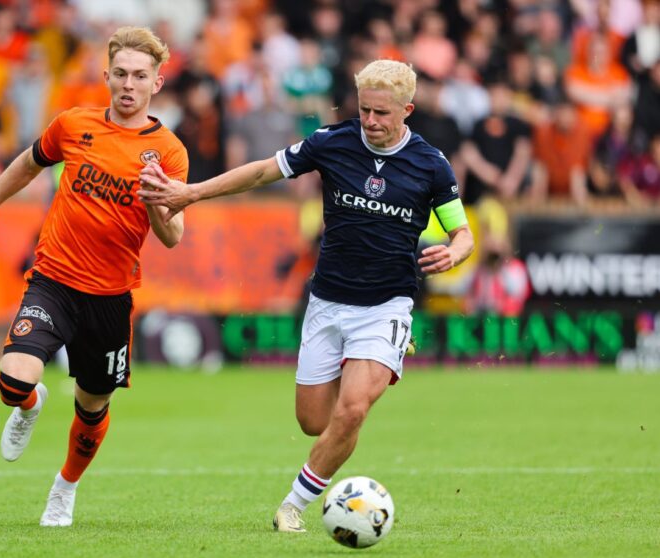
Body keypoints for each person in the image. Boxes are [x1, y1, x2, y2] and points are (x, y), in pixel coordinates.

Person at [138, 59, 474, 533]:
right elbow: (260, 173)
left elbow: (462, 231)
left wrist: (455, 253)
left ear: (408, 110)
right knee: (315, 422)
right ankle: (364, 362)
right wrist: (190, 193)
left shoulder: (431, 163)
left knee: (353, 409)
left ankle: (291, 506)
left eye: (382, 113)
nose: (371, 122)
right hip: (328, 302)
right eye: (364, 111)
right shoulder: (331, 142)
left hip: (387, 305)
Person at [0, 26, 188, 527]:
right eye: (120, 74)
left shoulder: (169, 152)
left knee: (92, 407)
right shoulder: (74, 124)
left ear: (157, 82)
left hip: (110, 297)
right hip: (54, 280)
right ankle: (28, 405)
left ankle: (64, 489)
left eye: (140, 75)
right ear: (105, 75)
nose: (128, 84)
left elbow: (174, 235)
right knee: (11, 380)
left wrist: (157, 200)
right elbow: (28, 164)